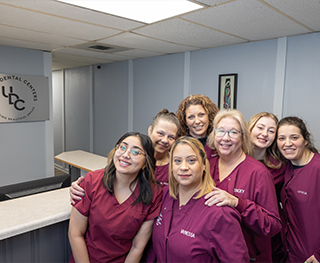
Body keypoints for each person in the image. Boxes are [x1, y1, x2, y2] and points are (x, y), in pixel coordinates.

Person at [150, 136, 249, 262]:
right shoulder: (164, 197)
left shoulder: (220, 214)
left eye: (191, 160)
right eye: (177, 161)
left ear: (203, 165)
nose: (183, 167)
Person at [68, 132, 162, 263]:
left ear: (146, 163)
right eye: (122, 147)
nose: (125, 155)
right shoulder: (91, 181)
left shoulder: (153, 194)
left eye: (135, 152)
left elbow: (137, 247)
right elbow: (75, 233)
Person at [204, 109, 282, 263]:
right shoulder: (206, 166)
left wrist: (238, 203)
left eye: (233, 132)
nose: (225, 138)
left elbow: (273, 225)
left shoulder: (259, 173)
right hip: (211, 253)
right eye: (221, 131)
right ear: (214, 135)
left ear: (242, 137)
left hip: (248, 256)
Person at [69, 109, 179, 203]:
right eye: (160, 133)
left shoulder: (176, 166)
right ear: (150, 130)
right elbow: (110, 177)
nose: (164, 140)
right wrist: (82, 186)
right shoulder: (132, 158)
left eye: (171, 137)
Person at [276, 116, 320, 263]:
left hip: (312, 257)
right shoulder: (285, 166)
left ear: (305, 139)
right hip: (289, 254)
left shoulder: (317, 168)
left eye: (294, 137)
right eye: (281, 138)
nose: (287, 143)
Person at [248, 112, 287, 262]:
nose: (264, 134)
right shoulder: (233, 158)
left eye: (271, 131)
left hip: (264, 234)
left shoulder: (279, 166)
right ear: (250, 128)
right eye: (260, 127)